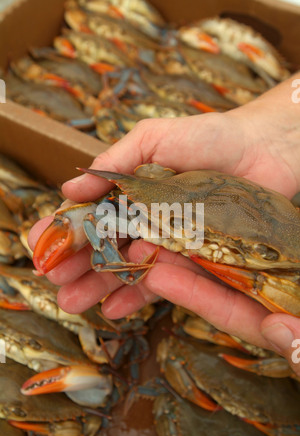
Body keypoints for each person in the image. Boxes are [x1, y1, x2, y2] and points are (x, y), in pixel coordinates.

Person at [29, 72, 300, 376]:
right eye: (181, 222)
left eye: (265, 253)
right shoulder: (148, 202)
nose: (215, 250)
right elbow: (96, 214)